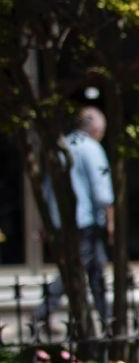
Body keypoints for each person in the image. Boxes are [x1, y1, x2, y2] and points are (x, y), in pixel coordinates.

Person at [34, 106, 114, 332]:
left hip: (64, 223)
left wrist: (47, 221)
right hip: (86, 223)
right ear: (95, 128)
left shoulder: (63, 146)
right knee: (73, 270)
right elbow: (102, 194)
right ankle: (44, 311)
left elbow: (50, 189)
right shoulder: (92, 149)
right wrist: (110, 222)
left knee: (94, 271)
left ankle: (106, 318)